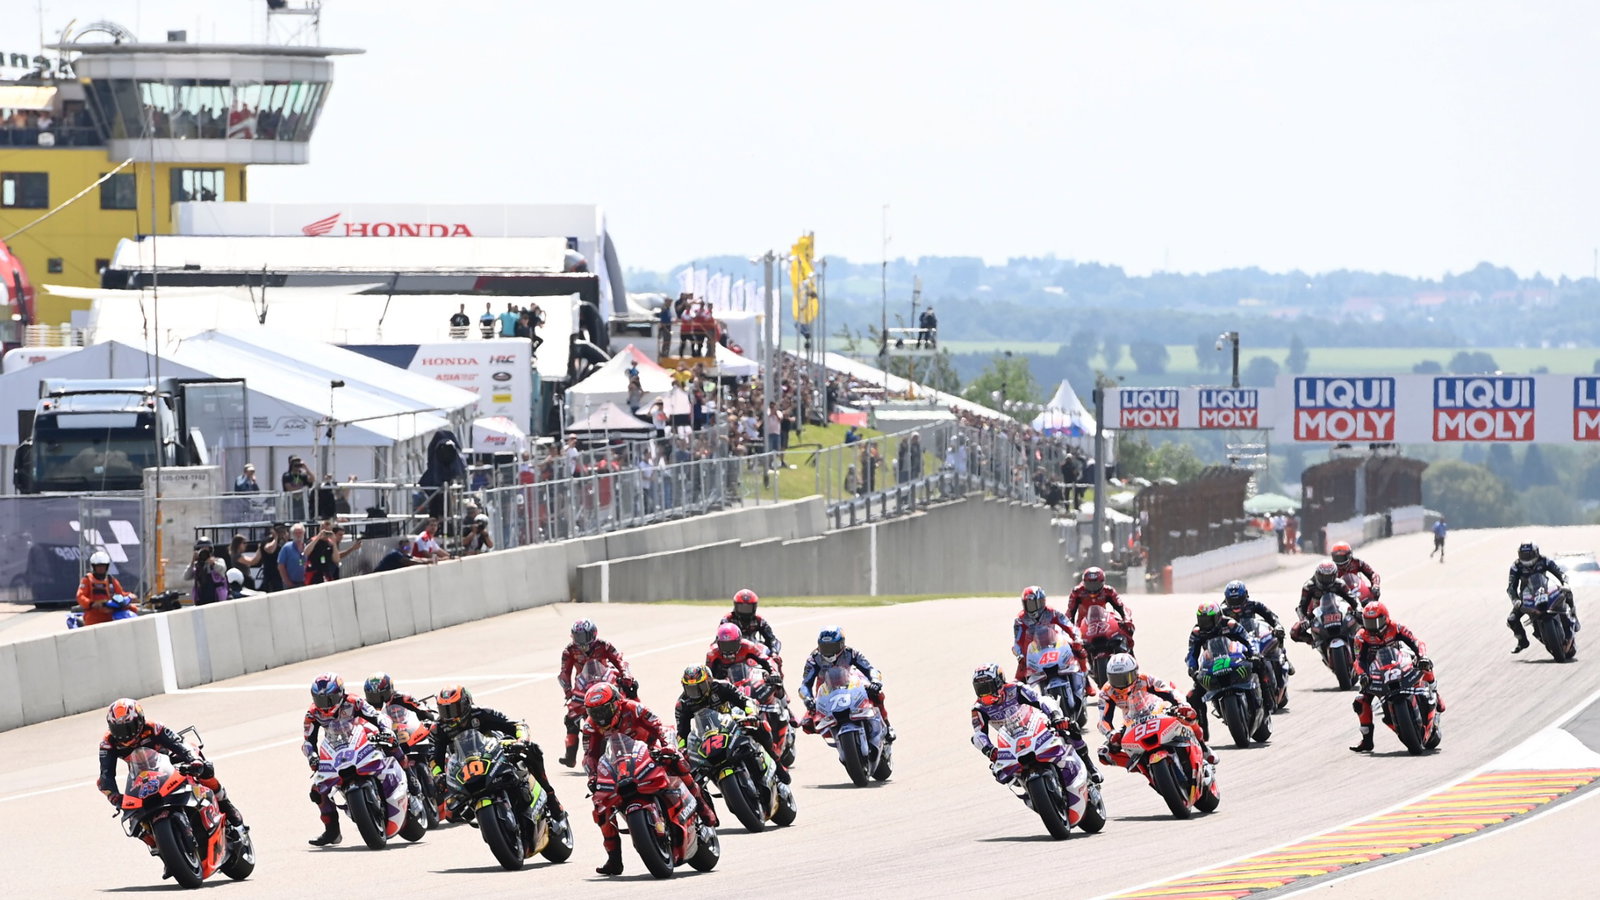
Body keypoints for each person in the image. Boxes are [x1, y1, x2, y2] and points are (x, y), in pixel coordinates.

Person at [582, 683, 718, 876]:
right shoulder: (590, 726)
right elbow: (590, 755)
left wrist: (667, 746)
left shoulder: (633, 708)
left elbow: (658, 726)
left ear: (616, 703)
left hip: (651, 749)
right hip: (620, 763)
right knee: (600, 807)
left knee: (677, 761)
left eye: (605, 709)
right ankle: (614, 859)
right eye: (595, 711)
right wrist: (592, 776)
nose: (601, 715)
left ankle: (703, 807)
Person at [98, 699, 244, 829]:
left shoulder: (154, 727)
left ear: (140, 720)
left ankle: (225, 803)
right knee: (133, 819)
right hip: (141, 774)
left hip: (169, 762)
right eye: (119, 729)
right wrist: (115, 796)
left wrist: (194, 760)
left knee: (199, 760)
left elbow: (178, 743)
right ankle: (156, 843)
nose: (125, 735)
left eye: (129, 727)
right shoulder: (108, 743)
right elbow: (106, 776)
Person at [430, 684, 563, 822]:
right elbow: (434, 759)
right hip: (465, 767)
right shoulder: (439, 728)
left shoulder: (481, 713)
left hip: (494, 753)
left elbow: (516, 725)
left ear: (466, 704)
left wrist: (522, 741)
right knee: (451, 813)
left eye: (453, 709)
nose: (450, 715)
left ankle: (550, 796)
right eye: (444, 710)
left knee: (532, 750)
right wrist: (438, 775)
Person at [300, 673, 404, 846]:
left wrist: (386, 730)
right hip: (337, 748)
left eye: (330, 699)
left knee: (390, 742)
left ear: (340, 693)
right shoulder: (312, 713)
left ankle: (409, 773)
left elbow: (377, 716)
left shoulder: (354, 701)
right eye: (320, 700)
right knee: (317, 791)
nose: (325, 706)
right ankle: (332, 831)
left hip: (362, 736)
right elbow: (308, 741)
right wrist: (312, 756)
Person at [970, 663, 1100, 783]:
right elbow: (978, 734)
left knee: (1069, 729)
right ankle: (1029, 792)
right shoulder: (978, 708)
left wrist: (1056, 717)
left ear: (999, 683)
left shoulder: (1015, 689)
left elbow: (1041, 700)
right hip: (1011, 742)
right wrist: (990, 750)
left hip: (1036, 726)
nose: (984, 694)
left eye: (987, 688)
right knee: (1001, 774)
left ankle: (1089, 766)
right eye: (980, 689)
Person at [1348, 602, 1444, 752]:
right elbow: (1359, 660)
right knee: (1360, 702)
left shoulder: (1396, 627)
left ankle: (1435, 692)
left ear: (1385, 618)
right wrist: (1363, 675)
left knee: (1424, 664)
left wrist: (1422, 656)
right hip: (1377, 672)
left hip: (1401, 662)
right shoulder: (1361, 637)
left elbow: (1416, 642)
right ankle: (1367, 741)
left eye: (1376, 621)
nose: (1372, 626)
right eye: (1369, 622)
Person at [1096, 653, 1217, 768]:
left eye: (1125, 677)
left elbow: (1169, 691)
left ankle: (1203, 748)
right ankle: (1142, 766)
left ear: (1135, 673)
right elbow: (1103, 721)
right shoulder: (1106, 692)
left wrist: (1182, 705)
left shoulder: (1145, 679)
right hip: (1131, 720)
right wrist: (1111, 734)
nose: (1120, 683)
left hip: (1157, 709)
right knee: (1104, 754)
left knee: (1187, 715)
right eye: (1115, 678)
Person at [674, 665, 789, 782]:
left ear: (709, 681)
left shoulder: (722, 686)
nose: (696, 693)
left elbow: (745, 700)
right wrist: (682, 749)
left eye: (700, 687)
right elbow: (682, 732)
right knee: (689, 769)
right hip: (706, 735)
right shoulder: (682, 704)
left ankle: (777, 764)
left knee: (760, 726)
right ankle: (702, 799)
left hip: (731, 721)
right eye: (691, 689)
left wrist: (751, 715)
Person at [557, 619, 638, 767]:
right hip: (582, 687)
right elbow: (564, 673)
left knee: (630, 692)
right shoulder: (569, 651)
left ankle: (640, 732)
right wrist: (567, 690)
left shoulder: (603, 645)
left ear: (593, 634)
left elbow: (619, 660)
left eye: (584, 637)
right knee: (570, 718)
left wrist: (625, 675)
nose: (581, 641)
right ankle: (570, 755)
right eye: (577, 637)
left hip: (605, 683)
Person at [1183, 601, 1266, 740]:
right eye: (1201, 620)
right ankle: (1201, 734)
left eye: (1208, 620)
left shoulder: (1230, 624)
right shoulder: (1197, 632)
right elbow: (1191, 653)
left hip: (1234, 659)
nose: (1205, 623)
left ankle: (1268, 703)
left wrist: (1254, 654)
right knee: (1193, 696)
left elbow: (1248, 639)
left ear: (1217, 617)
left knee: (1259, 666)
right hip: (1212, 666)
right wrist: (1193, 669)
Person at [798, 626, 894, 741]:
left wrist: (875, 681)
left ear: (842, 644)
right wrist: (808, 699)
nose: (829, 651)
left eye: (833, 646)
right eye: (824, 647)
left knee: (877, 694)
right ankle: (837, 737)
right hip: (826, 690)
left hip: (850, 683)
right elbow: (805, 685)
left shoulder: (851, 653)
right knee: (808, 721)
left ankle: (887, 725)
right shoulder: (813, 659)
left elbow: (870, 669)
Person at [1010, 585, 1092, 686]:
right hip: (1033, 645)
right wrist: (1020, 655)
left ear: (1043, 601)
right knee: (1022, 667)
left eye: (1036, 604)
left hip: (1053, 639)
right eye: (1029, 604)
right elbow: (1018, 640)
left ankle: (1086, 682)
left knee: (1077, 649)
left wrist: (1076, 638)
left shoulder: (1051, 612)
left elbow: (1067, 625)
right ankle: (1018, 694)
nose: (1033, 607)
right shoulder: (1020, 619)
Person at [1506, 541, 1578, 653]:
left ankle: (1574, 616)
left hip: (1546, 590)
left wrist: (1564, 582)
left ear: (1536, 553)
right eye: (1523, 555)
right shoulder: (1516, 566)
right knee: (1512, 619)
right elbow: (1511, 587)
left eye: (1529, 555)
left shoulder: (1544, 560)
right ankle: (1522, 641)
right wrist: (1515, 600)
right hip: (1527, 597)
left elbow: (1559, 572)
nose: (1526, 558)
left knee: (1566, 592)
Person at [1221, 580, 1293, 676]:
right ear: (1226, 599)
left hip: (1253, 636)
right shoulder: (1222, 611)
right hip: (1232, 642)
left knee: (1277, 635)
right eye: (1232, 600)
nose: (1235, 604)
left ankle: (1284, 656)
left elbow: (1270, 616)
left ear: (1246, 595)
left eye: (1238, 599)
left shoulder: (1254, 604)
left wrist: (1277, 626)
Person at [1065, 566, 1135, 651]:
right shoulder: (1077, 592)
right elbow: (1070, 612)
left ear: (1102, 582)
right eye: (1089, 584)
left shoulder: (1108, 590)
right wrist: (1069, 628)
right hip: (1083, 624)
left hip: (1103, 621)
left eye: (1096, 584)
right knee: (1072, 646)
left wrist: (1127, 619)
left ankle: (1130, 657)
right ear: (1084, 582)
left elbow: (1121, 606)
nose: (1093, 588)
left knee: (1125, 632)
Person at [1290, 561, 1359, 645]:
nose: (1326, 581)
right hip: (1316, 613)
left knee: (1363, 618)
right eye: (1323, 577)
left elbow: (1353, 599)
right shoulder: (1309, 586)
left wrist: (1359, 609)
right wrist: (1303, 619)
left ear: (1335, 575)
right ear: (1317, 574)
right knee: (1295, 632)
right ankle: (1316, 642)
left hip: (1339, 609)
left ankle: (1362, 640)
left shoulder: (1340, 584)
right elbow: (1301, 607)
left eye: (1329, 577)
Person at [720, 589, 783, 670]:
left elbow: (772, 639)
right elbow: (720, 638)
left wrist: (774, 653)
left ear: (754, 607)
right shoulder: (727, 619)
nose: (745, 611)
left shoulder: (759, 620)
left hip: (754, 648)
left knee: (775, 659)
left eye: (748, 608)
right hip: (733, 650)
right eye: (742, 607)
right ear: (735, 606)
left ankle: (775, 677)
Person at [76, 550, 127, 626]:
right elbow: (80, 596)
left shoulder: (111, 580)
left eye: (103, 566)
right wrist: (92, 603)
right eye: (98, 566)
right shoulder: (87, 580)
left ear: (107, 567)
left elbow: (121, 593)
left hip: (110, 616)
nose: (101, 568)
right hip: (93, 617)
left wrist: (130, 596)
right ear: (94, 567)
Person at [363, 672, 436, 721]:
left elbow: (421, 709)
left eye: (381, 695)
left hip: (405, 734)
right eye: (373, 696)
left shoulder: (402, 698)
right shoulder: (363, 706)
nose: (378, 700)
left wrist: (427, 716)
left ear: (390, 689)